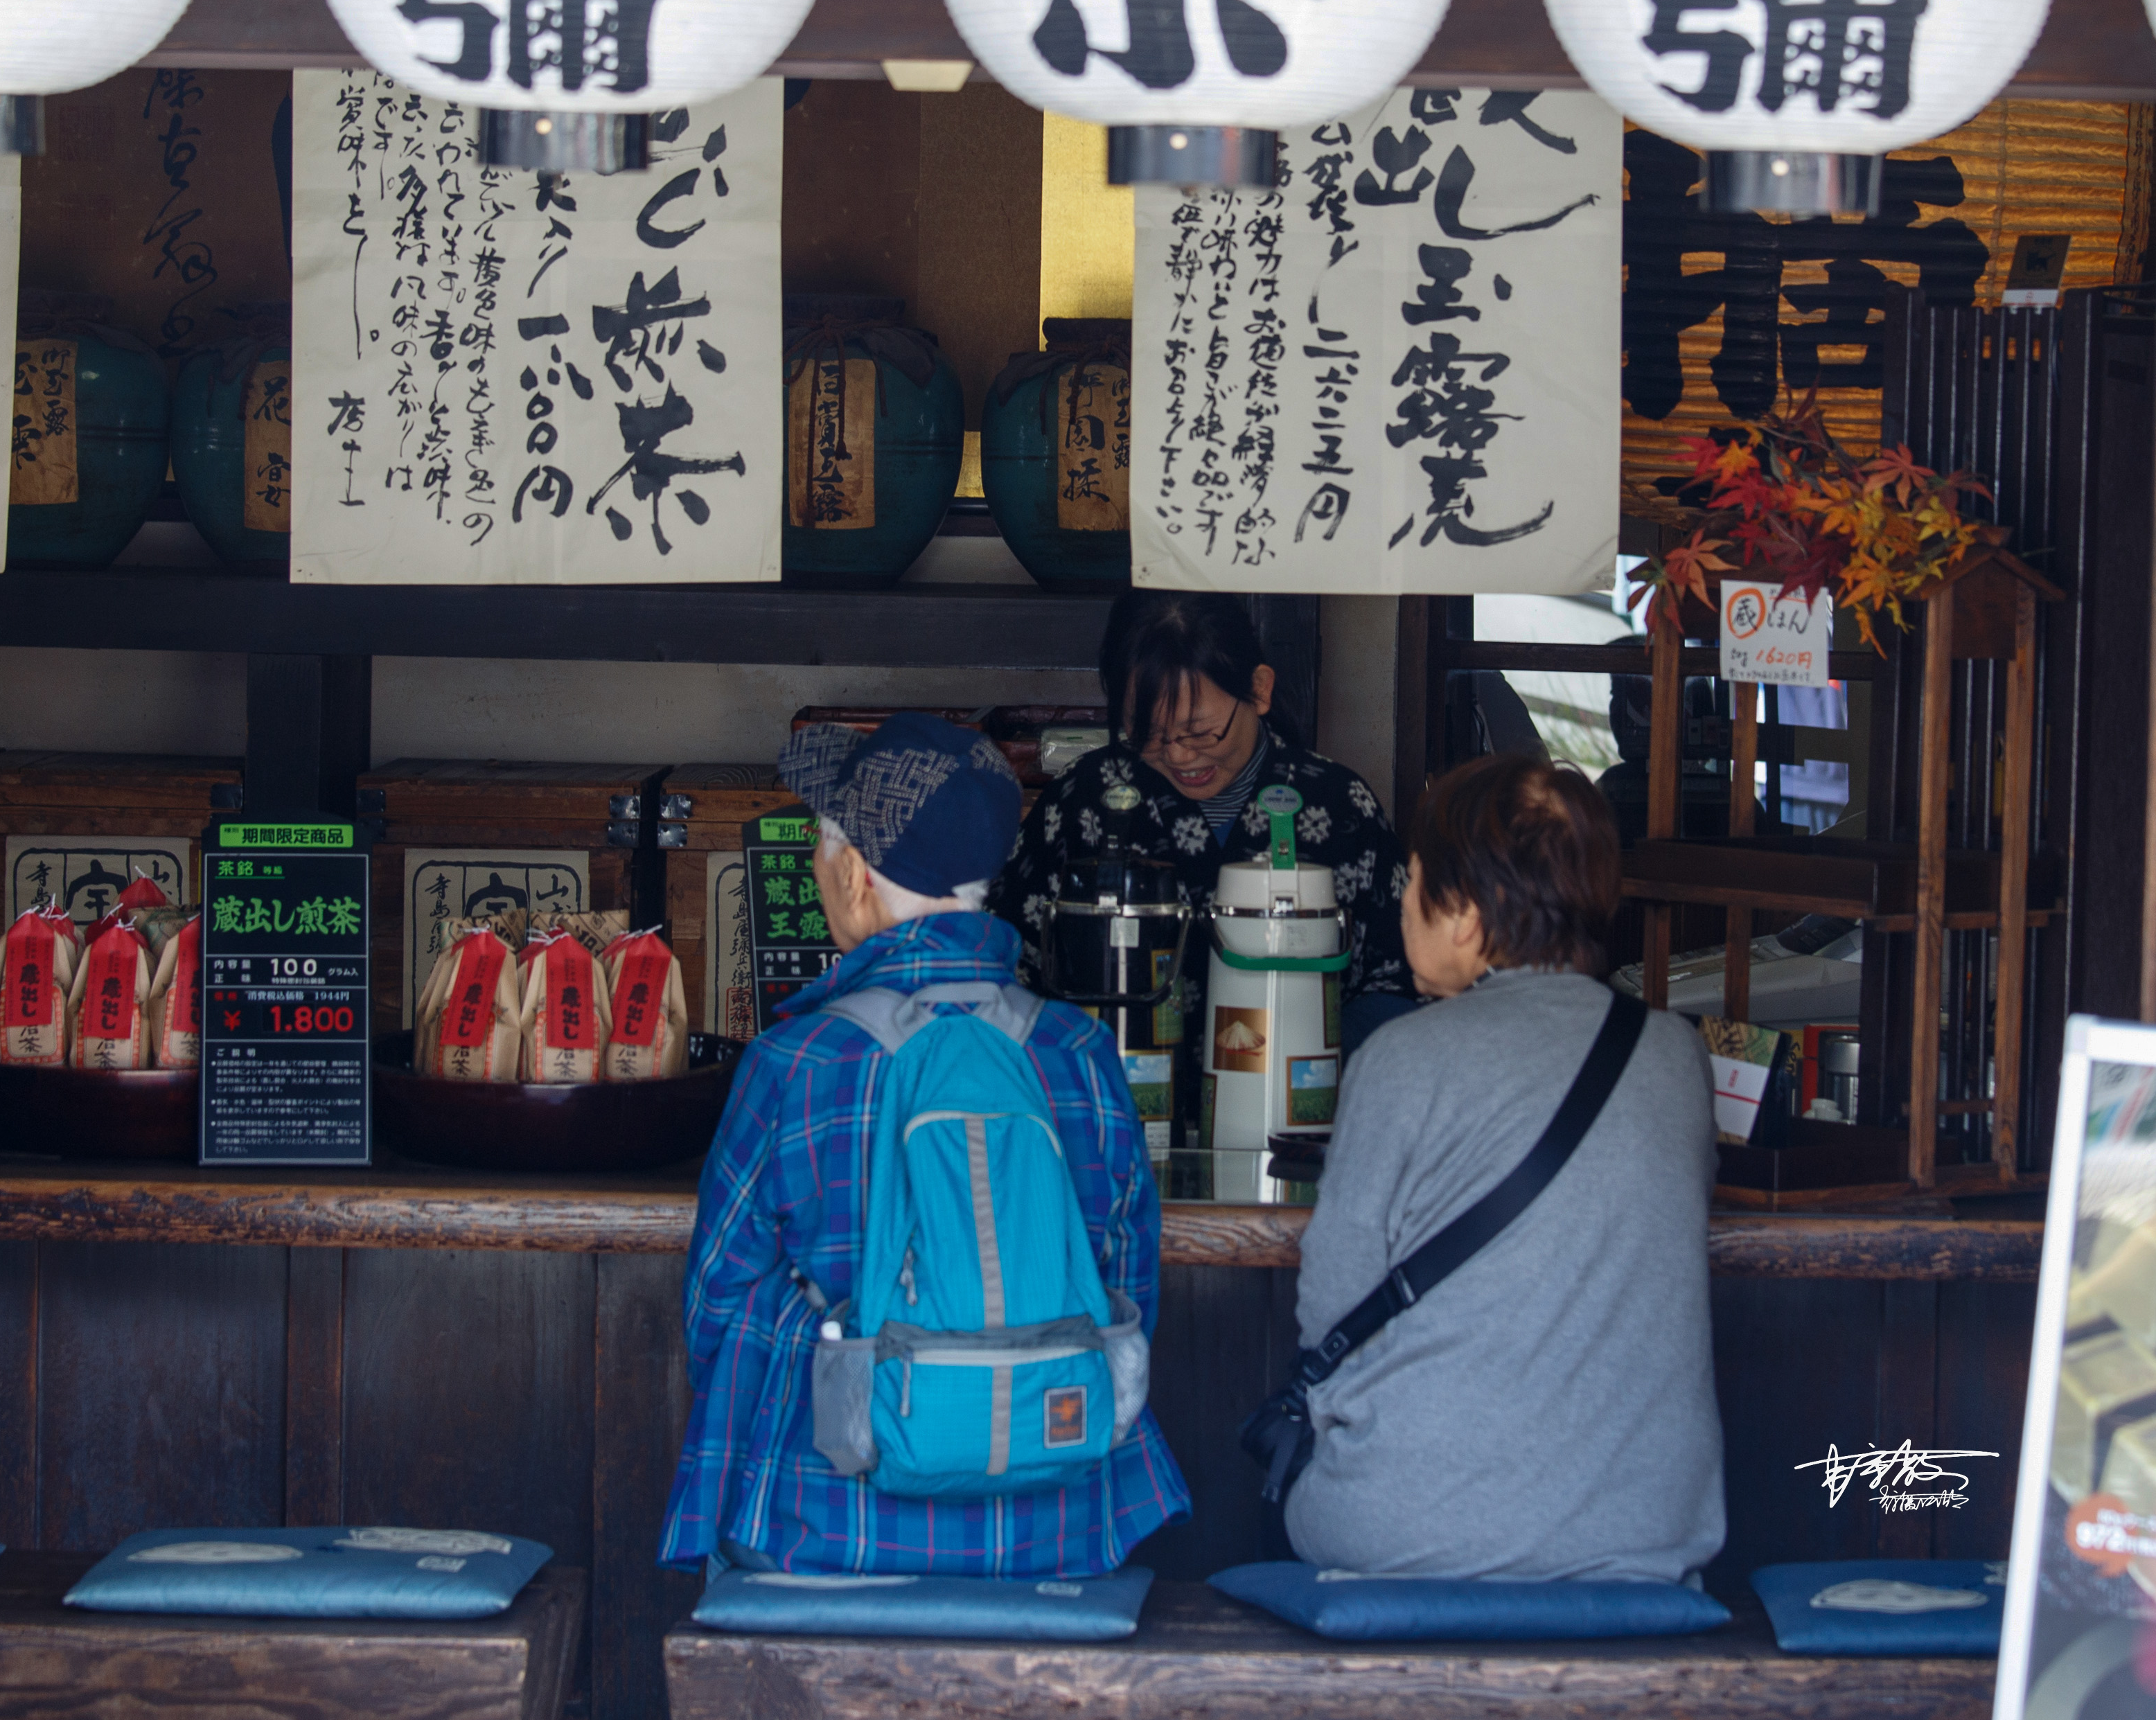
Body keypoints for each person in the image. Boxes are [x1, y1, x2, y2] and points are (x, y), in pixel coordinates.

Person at [659, 711, 1190, 1576]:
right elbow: (1127, 1295)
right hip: (1061, 1532)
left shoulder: (795, 1063)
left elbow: (719, 1308)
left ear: (856, 876)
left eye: (821, 849)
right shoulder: (1078, 1054)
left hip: (830, 1528)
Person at [1284, 752, 1724, 1584]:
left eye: (1414, 882)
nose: (1401, 904)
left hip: (1404, 1527)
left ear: (1465, 912)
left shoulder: (1399, 1058)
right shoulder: (1673, 1055)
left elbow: (1329, 1312)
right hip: (1647, 1534)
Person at [993, 590, 1418, 1050]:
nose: (1178, 754)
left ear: (1258, 690)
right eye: (1148, 733)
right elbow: (1010, 959)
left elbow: (1392, 980)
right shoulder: (1086, 800)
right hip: (1106, 1098)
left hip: (1295, 1100)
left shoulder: (1337, 805)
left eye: (1199, 731)